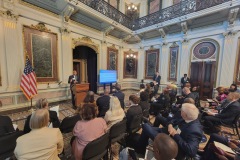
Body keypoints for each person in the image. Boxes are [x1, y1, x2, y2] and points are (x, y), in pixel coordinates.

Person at [138, 103, 202, 159]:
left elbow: (191, 151)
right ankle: (141, 149)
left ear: (185, 115)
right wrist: (170, 125)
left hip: (170, 144)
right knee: (146, 128)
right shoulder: (186, 118)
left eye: (181, 111)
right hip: (166, 132)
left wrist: (175, 134)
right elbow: (173, 121)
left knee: (145, 126)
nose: (180, 111)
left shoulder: (195, 130)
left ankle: (139, 149)